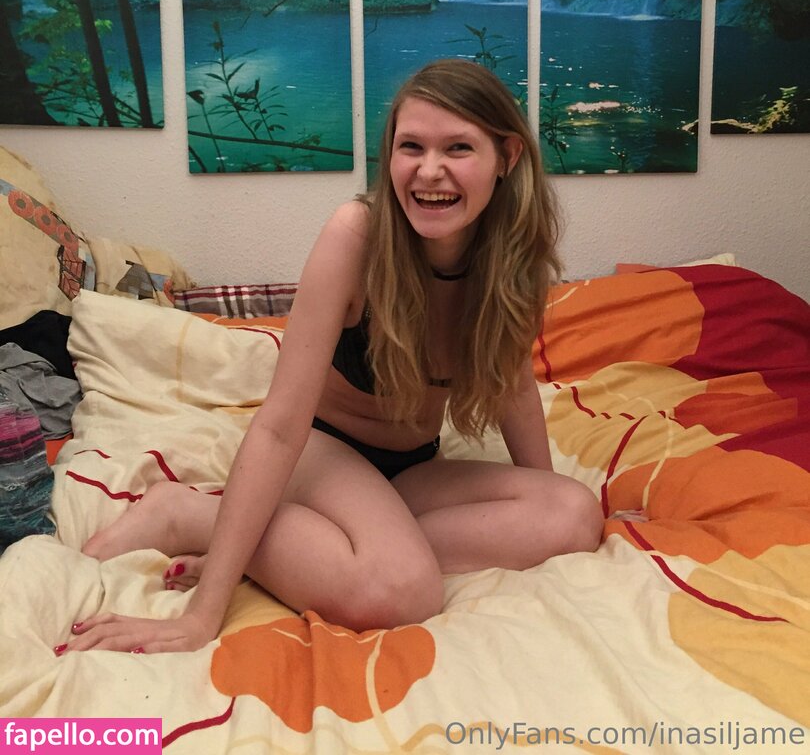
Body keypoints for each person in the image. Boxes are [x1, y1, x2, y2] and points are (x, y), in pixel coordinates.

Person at [61, 58, 603, 656]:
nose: (430, 171)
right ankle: (189, 516)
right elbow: (278, 426)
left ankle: (321, 550)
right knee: (403, 591)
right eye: (411, 147)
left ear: (507, 157)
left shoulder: (513, 255)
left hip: (413, 467)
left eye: (458, 148)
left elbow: (514, 386)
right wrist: (202, 614)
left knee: (574, 516)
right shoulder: (357, 236)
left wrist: (536, 490)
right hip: (320, 454)